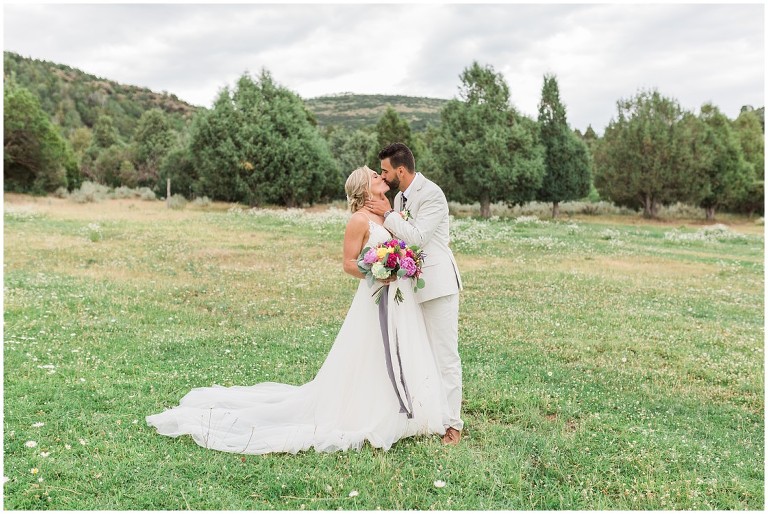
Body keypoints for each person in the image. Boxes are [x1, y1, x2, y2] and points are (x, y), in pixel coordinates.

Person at [146, 166, 448, 454]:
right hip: (375, 294)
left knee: (402, 345)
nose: (380, 176)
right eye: (374, 175)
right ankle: (371, 411)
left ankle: (411, 408)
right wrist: (377, 272)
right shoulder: (359, 220)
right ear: (363, 187)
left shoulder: (390, 211)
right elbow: (348, 263)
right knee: (370, 352)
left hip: (399, 297)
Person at [365, 143, 464, 445]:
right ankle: (428, 415)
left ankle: (453, 425)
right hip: (410, 286)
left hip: (437, 285)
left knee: (444, 355)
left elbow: (419, 238)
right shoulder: (398, 197)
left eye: (385, 171)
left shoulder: (432, 194)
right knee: (420, 352)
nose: (383, 175)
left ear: (401, 170)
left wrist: (388, 214)